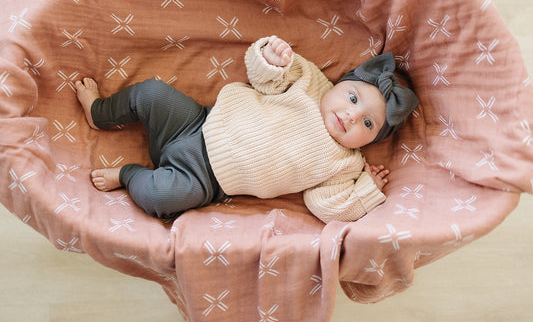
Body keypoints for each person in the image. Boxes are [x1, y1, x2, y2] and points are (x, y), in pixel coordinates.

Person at [75, 36, 418, 223]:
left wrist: (365, 192)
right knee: (151, 93)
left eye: (368, 123)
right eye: (353, 97)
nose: (352, 115)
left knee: (160, 198)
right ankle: (99, 112)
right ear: (342, 83)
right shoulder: (310, 81)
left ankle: (129, 175)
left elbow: (325, 206)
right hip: (197, 121)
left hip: (205, 180)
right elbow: (263, 79)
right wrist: (271, 58)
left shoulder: (345, 164)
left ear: (374, 139)